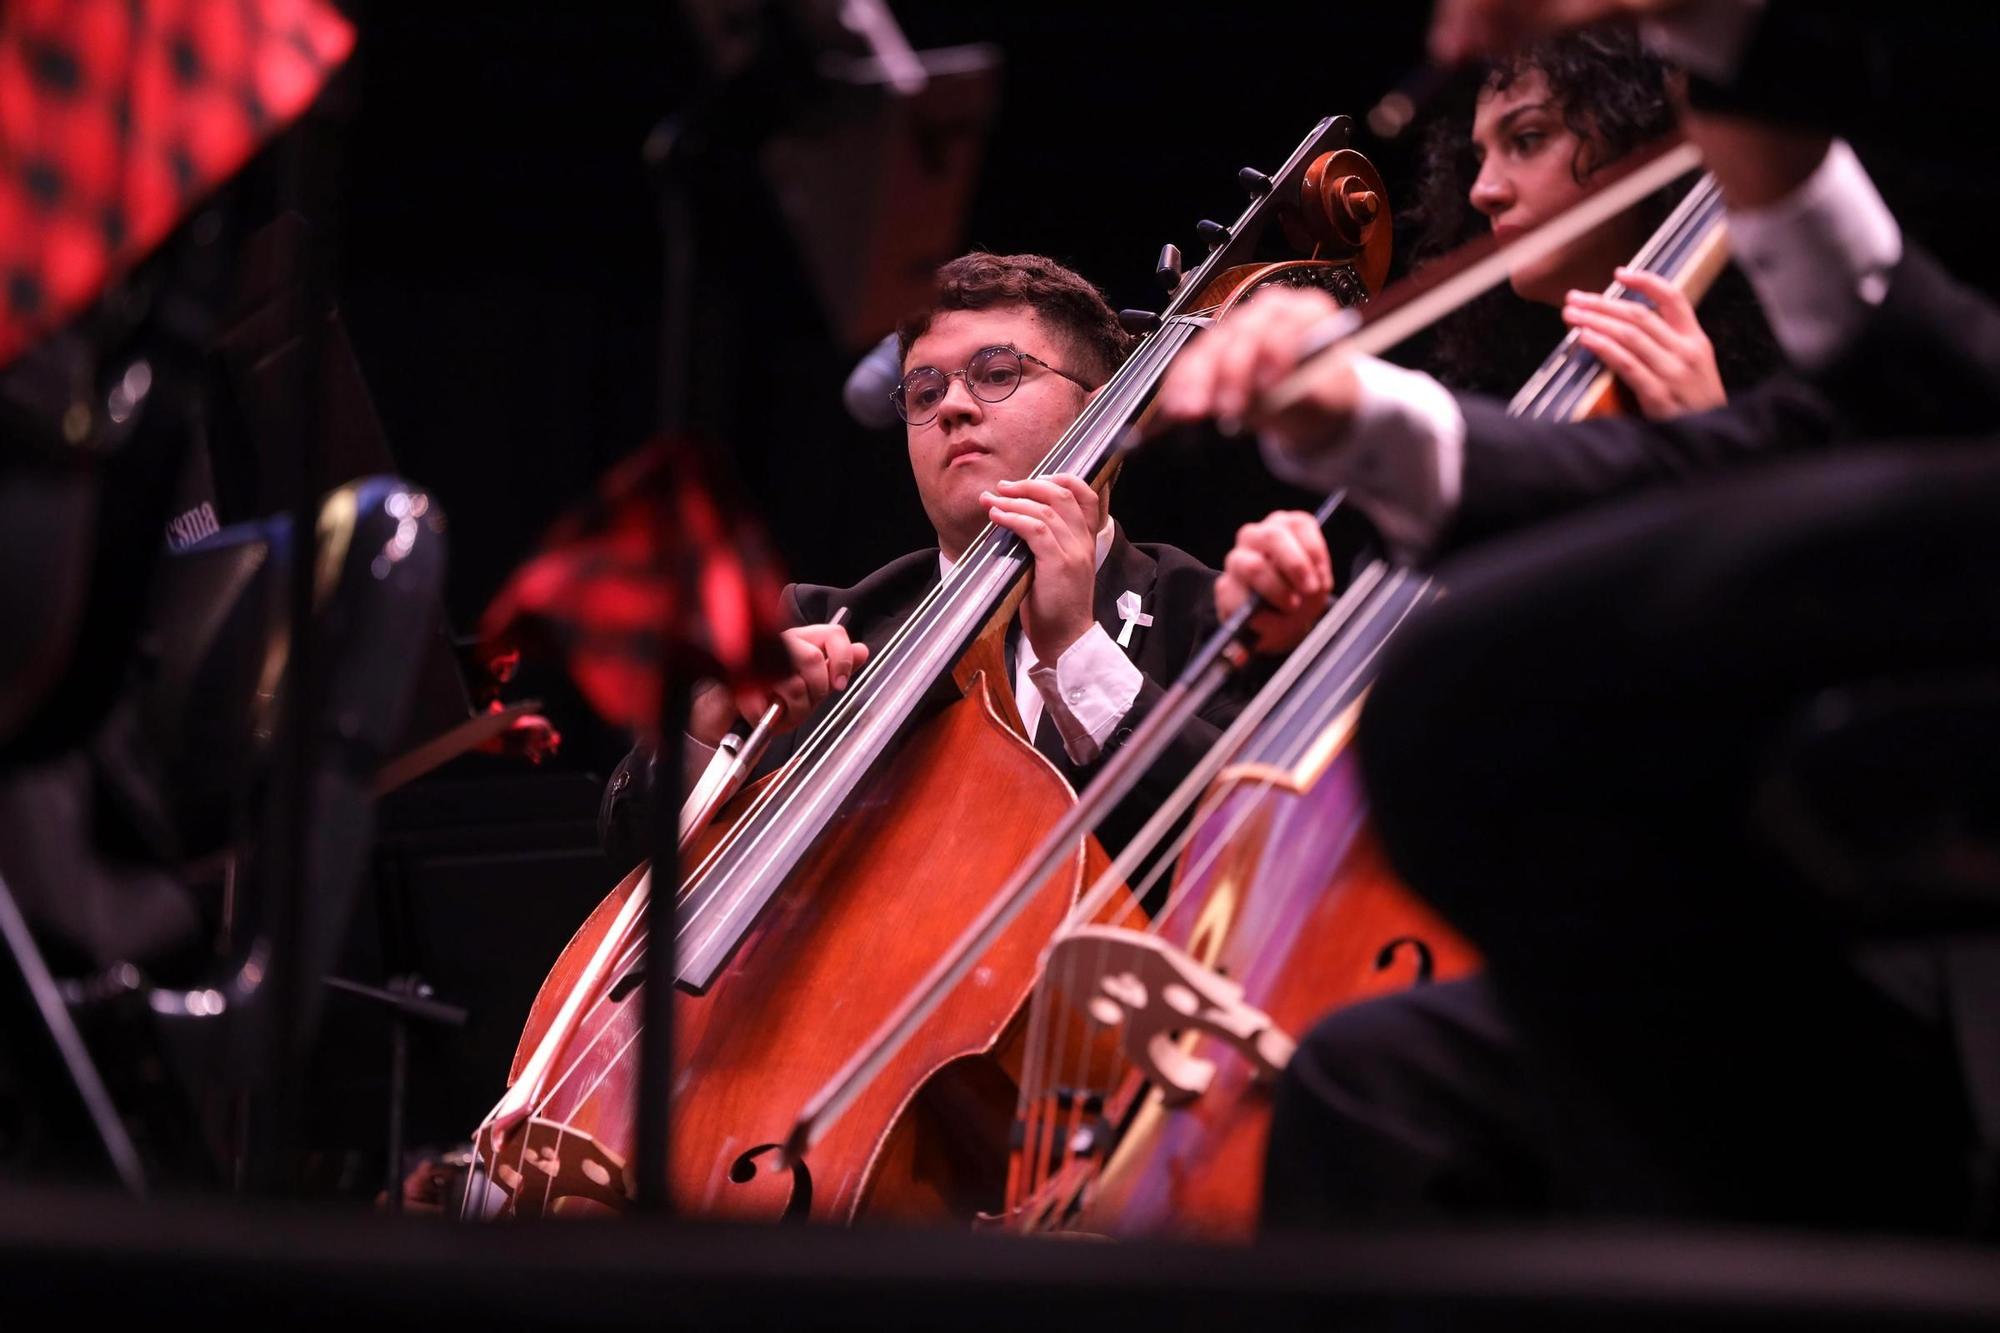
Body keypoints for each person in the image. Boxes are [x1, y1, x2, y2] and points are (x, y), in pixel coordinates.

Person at [1167, 4, 2000, 1237]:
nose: (1493, 187)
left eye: (1532, 138)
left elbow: (1871, 413)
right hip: (1834, 897)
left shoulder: (1777, 322)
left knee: (1471, 702)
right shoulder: (1799, 323)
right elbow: (1856, 402)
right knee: (1369, 1077)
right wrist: (1356, 414)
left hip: (1921, 912)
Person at [602, 252, 1247, 870]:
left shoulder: (1215, 615)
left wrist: (1079, 649)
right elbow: (629, 856)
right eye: (924, 391)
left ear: (1105, 409)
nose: (952, 408)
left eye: (998, 373)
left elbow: (1252, 838)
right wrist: (706, 726)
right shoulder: (829, 623)